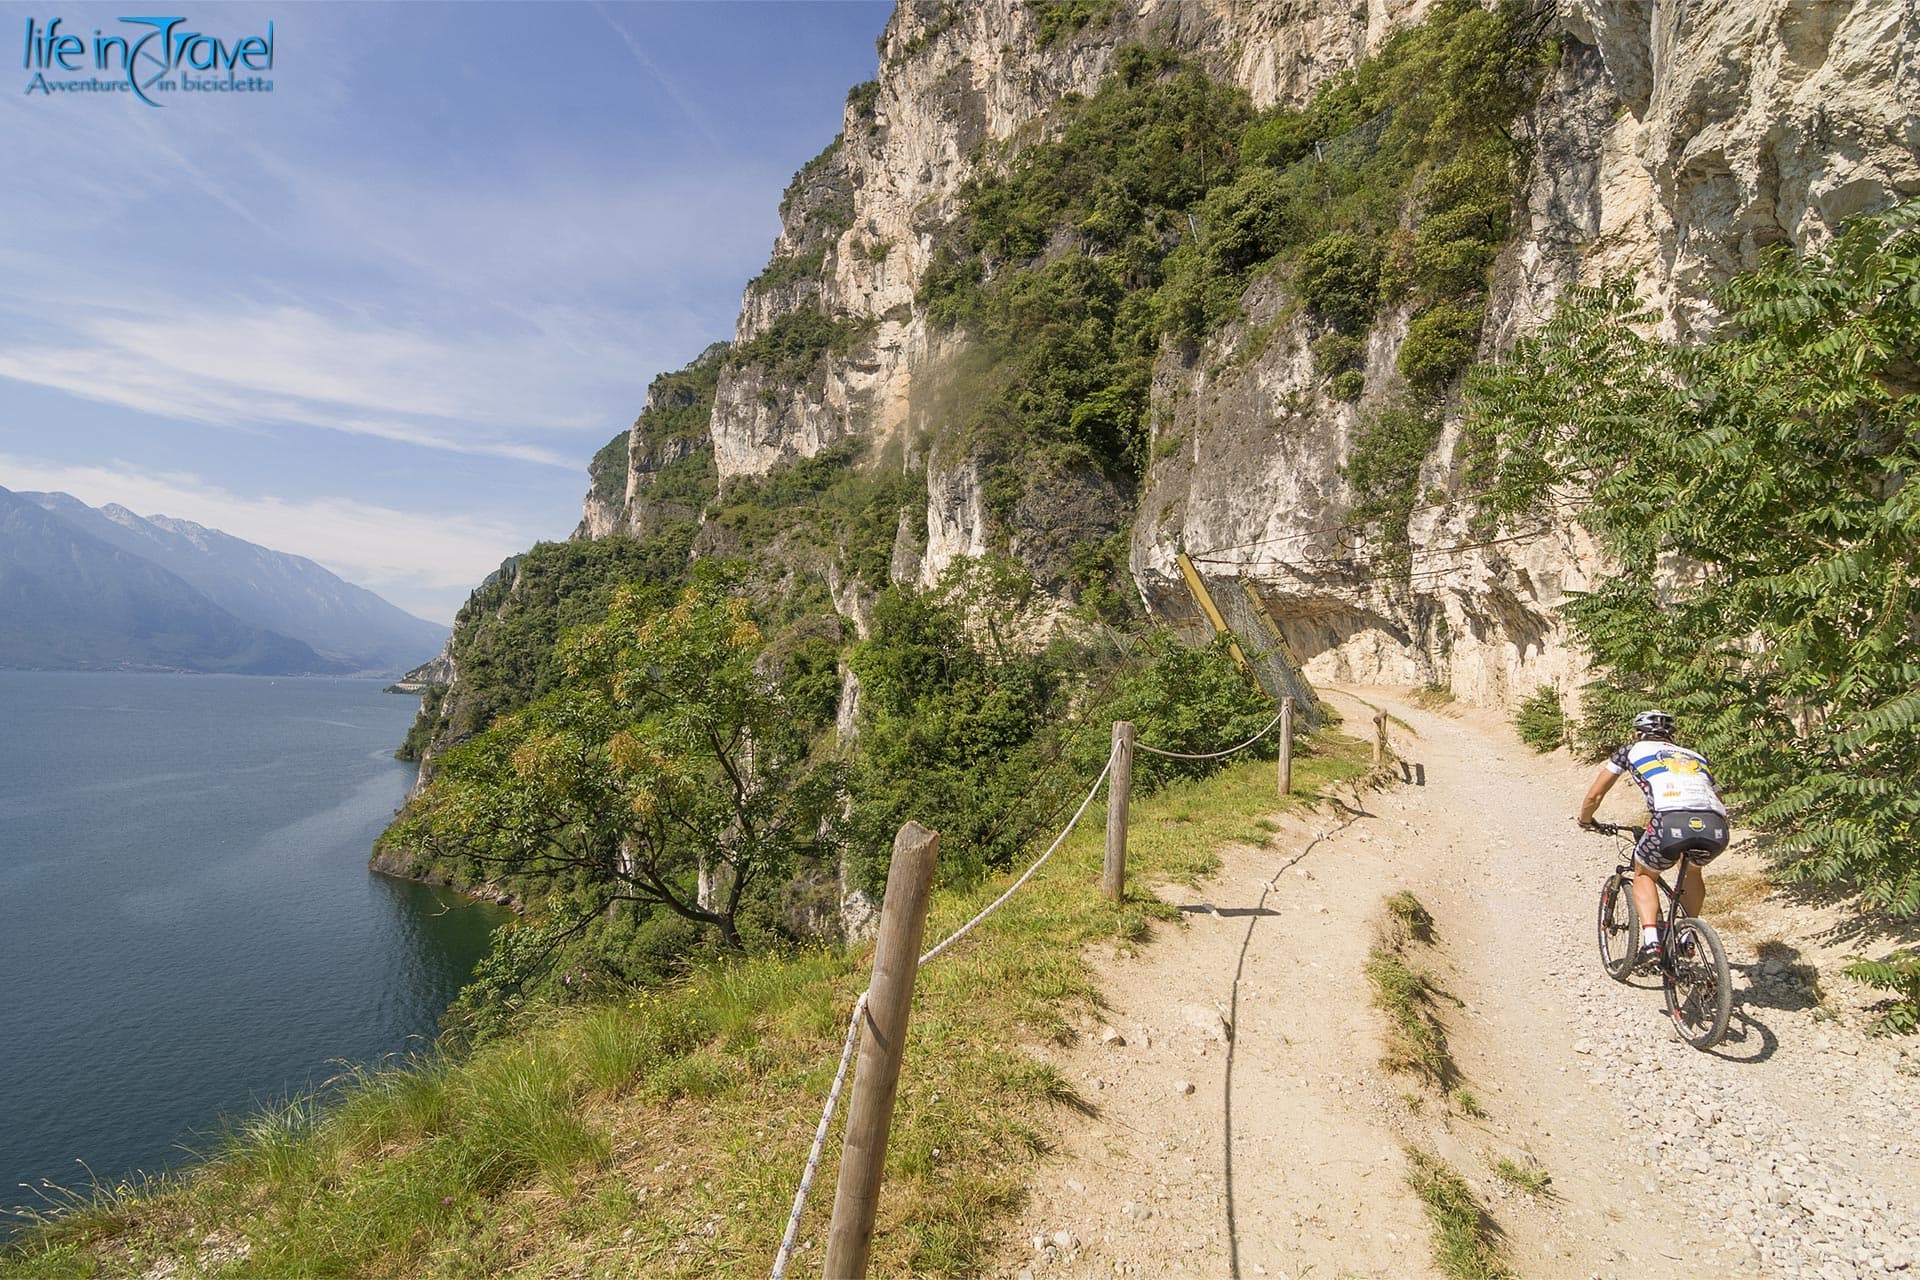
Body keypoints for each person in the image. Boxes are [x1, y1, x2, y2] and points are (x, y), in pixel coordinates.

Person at [1577, 709, 1729, 961]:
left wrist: (1585, 820)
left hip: (1669, 822)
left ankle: (1651, 943)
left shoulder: (1630, 751)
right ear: (1671, 735)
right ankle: (1687, 934)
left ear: (1638, 733)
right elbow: (1716, 797)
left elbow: (1595, 795)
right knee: (1692, 870)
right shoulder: (1695, 756)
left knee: (1644, 872)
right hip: (1715, 825)